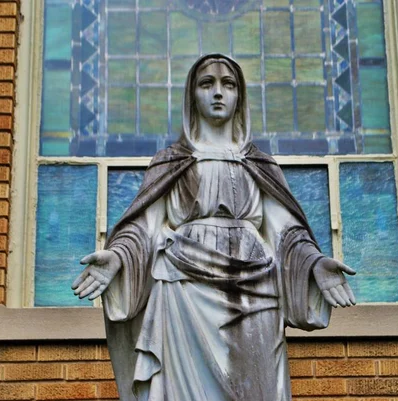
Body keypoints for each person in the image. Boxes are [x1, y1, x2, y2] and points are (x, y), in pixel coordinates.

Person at [72, 54, 356, 401]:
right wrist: (118, 257)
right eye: (207, 84)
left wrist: (314, 264)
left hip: (255, 289)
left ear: (240, 96)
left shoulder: (258, 164)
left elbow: (287, 234)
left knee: (259, 388)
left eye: (228, 84)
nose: (218, 93)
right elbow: (143, 229)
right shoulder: (170, 162)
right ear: (193, 95)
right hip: (182, 290)